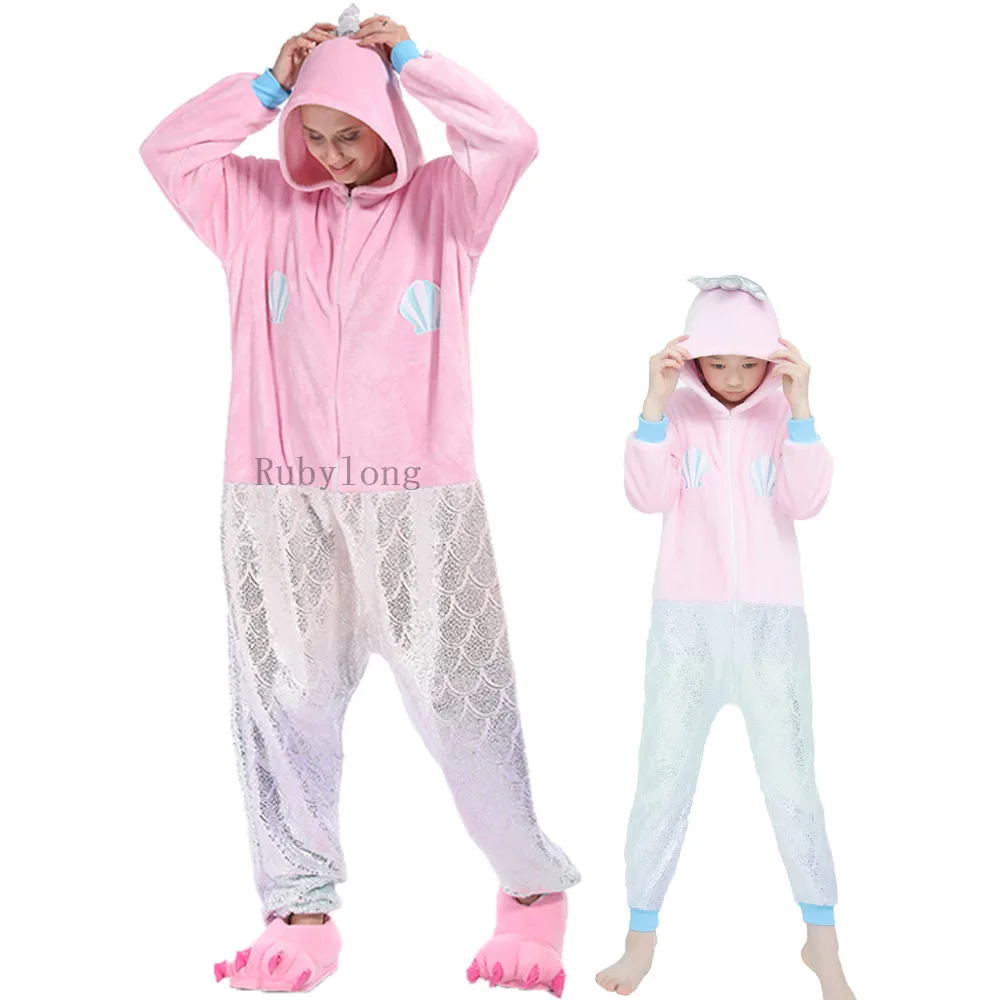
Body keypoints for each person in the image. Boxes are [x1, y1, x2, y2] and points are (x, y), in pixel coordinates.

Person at [139, 6, 578, 993]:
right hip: (276, 490)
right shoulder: (254, 208)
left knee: (460, 698)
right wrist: (265, 88)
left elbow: (512, 137)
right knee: (282, 698)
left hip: (416, 495)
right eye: (316, 133)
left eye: (352, 132)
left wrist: (412, 63)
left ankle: (531, 890)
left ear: (389, 122)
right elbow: (166, 151)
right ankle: (300, 909)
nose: (333, 153)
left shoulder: (447, 204)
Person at [595, 275, 855, 999]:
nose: (734, 378)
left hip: (773, 626)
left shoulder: (781, 415)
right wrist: (652, 407)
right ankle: (640, 937)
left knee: (793, 784)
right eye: (717, 363)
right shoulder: (678, 413)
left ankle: (822, 941)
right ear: (693, 359)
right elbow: (646, 496)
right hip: (686, 625)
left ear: (773, 360)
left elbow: (807, 501)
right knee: (662, 778)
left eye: (748, 364)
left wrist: (802, 412)